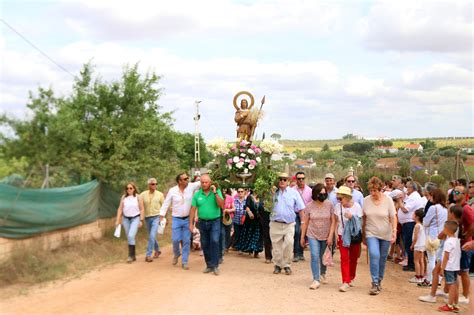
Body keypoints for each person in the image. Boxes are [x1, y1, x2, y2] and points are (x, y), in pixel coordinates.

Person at [419, 204, 461, 303]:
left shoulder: (450, 225)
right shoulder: (458, 225)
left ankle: (432, 295)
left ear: (452, 213)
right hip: (453, 253)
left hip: (446, 251)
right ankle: (451, 297)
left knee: (436, 272)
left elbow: (440, 236)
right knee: (453, 278)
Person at [362, 176, 397, 295]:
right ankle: (375, 282)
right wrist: (363, 235)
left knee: (382, 259)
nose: (372, 193)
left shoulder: (388, 200)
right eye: (371, 190)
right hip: (371, 232)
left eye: (375, 190)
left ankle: (379, 279)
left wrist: (394, 231)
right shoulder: (366, 200)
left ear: (380, 189)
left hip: (386, 233)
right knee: (374, 254)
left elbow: (393, 217)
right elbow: (364, 218)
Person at [160, 173, 201, 270]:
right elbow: (166, 203)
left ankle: (185, 261)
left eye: (188, 178)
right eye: (185, 179)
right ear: (180, 181)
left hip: (187, 219)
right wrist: (161, 215)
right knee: (175, 239)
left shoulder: (191, 186)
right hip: (176, 219)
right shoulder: (172, 191)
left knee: (186, 240)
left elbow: (201, 182)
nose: (187, 180)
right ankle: (177, 253)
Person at [300, 183, 336, 289]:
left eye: (324, 194)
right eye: (320, 194)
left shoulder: (329, 205)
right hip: (312, 234)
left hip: (326, 234)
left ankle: (323, 273)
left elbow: (333, 221)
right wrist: (302, 237)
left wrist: (331, 236)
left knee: (323, 257)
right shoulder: (309, 206)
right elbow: (305, 222)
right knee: (315, 256)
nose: (323, 196)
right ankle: (316, 279)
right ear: (315, 194)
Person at [270, 172, 305, 276]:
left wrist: (302, 222)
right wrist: (269, 194)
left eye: (285, 179)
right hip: (275, 222)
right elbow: (265, 206)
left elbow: (301, 208)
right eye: (280, 179)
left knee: (289, 244)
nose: (282, 181)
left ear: (288, 181)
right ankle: (277, 265)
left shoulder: (294, 193)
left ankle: (286, 265)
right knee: (276, 246)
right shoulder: (272, 192)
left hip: (289, 223)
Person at [189, 174, 224, 275]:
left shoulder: (216, 192)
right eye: (202, 182)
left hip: (215, 221)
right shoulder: (197, 195)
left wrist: (215, 193)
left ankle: (215, 265)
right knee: (205, 243)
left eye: (206, 182)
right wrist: (190, 224)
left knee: (214, 240)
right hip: (202, 222)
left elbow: (221, 205)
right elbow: (192, 209)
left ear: (210, 182)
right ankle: (209, 265)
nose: (204, 184)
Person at [334, 185, 362, 292]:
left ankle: (351, 277)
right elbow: (336, 222)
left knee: (354, 258)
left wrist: (352, 217)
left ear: (347, 197)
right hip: (342, 235)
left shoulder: (357, 207)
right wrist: (336, 235)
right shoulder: (338, 207)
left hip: (354, 235)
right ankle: (345, 281)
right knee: (344, 258)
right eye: (338, 198)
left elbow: (359, 223)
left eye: (341, 198)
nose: (339, 201)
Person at [420, 188, 448, 287]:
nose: (430, 197)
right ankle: (438, 280)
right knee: (439, 259)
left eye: (431, 195)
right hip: (442, 236)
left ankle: (429, 279)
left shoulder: (433, 208)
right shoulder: (445, 209)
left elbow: (425, 222)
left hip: (432, 236)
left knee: (431, 259)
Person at [395, 181, 424, 272]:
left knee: (409, 244)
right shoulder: (411, 196)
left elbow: (405, 209)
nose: (406, 189)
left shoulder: (414, 197)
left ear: (412, 188)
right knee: (407, 244)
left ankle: (411, 264)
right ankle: (410, 263)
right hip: (407, 224)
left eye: (407, 187)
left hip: (410, 223)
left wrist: (399, 201)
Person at [453, 185, 474, 304]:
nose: (454, 193)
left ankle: (466, 296)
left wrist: (466, 235)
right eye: (454, 191)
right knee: (461, 271)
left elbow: (473, 223)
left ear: (464, 194)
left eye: (457, 192)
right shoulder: (459, 207)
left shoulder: (466, 208)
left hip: (466, 245)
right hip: (460, 243)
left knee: (464, 271)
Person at [115, 182, 144, 263]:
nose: (129, 190)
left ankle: (130, 256)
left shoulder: (138, 197)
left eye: (130, 188)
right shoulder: (124, 197)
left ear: (134, 189)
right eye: (127, 188)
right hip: (126, 219)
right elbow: (120, 209)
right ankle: (133, 255)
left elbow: (142, 209)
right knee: (129, 237)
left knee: (131, 235)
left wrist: (141, 220)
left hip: (135, 218)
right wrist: (118, 220)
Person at [438, 221, 462, 312]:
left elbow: (446, 256)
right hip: (455, 266)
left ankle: (450, 304)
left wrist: (442, 268)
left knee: (451, 285)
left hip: (449, 266)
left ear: (447, 229)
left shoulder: (448, 242)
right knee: (455, 285)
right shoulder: (456, 240)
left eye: (444, 228)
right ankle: (455, 304)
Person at [140, 178, 164, 262]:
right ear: (149, 185)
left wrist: (164, 218)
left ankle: (148, 255)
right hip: (147, 217)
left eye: (156, 184)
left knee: (152, 235)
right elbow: (141, 207)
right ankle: (157, 250)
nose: (155, 185)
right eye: (153, 184)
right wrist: (141, 218)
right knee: (151, 235)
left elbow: (164, 206)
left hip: (156, 217)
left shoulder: (160, 194)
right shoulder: (143, 194)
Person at [235, 191, 264, 257]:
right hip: (250, 220)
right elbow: (247, 206)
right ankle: (250, 249)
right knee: (249, 234)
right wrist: (250, 213)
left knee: (258, 236)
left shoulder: (261, 197)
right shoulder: (249, 197)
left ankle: (257, 251)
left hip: (259, 221)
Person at [292, 171, 312, 262]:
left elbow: (311, 203)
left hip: (305, 214)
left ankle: (301, 253)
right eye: (299, 178)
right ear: (296, 179)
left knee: (302, 233)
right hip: (295, 214)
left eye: (302, 178)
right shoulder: (292, 190)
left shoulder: (309, 190)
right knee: (296, 232)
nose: (301, 180)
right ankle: (296, 253)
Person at [410, 209, 426, 284]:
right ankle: (422, 276)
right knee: (421, 261)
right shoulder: (422, 225)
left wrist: (412, 245)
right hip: (422, 245)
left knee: (416, 261)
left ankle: (417, 276)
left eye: (413, 214)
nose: (412, 215)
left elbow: (415, 237)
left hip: (418, 245)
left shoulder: (417, 226)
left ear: (417, 217)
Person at [221, 188, 235, 253]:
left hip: (229, 218)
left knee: (228, 233)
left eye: (225, 189)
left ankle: (227, 247)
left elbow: (234, 209)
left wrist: (227, 210)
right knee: (222, 233)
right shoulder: (219, 197)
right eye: (223, 189)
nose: (224, 190)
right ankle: (223, 248)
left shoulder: (230, 198)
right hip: (221, 218)